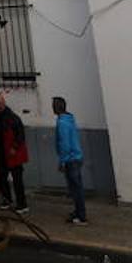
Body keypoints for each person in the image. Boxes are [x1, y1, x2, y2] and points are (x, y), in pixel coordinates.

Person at [0, 91, 29, 213]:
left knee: (17, 181)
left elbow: (20, 135)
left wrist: (14, 147)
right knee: (2, 179)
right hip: (3, 154)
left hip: (13, 155)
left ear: (4, 103)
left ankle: (22, 204)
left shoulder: (13, 118)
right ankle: (7, 200)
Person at [53, 96, 86, 225]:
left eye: (54, 105)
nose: (52, 108)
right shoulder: (69, 119)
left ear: (57, 107)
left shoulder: (62, 123)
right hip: (76, 157)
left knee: (75, 189)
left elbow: (64, 144)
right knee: (76, 188)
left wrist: (62, 161)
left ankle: (81, 216)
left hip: (70, 160)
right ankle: (78, 212)